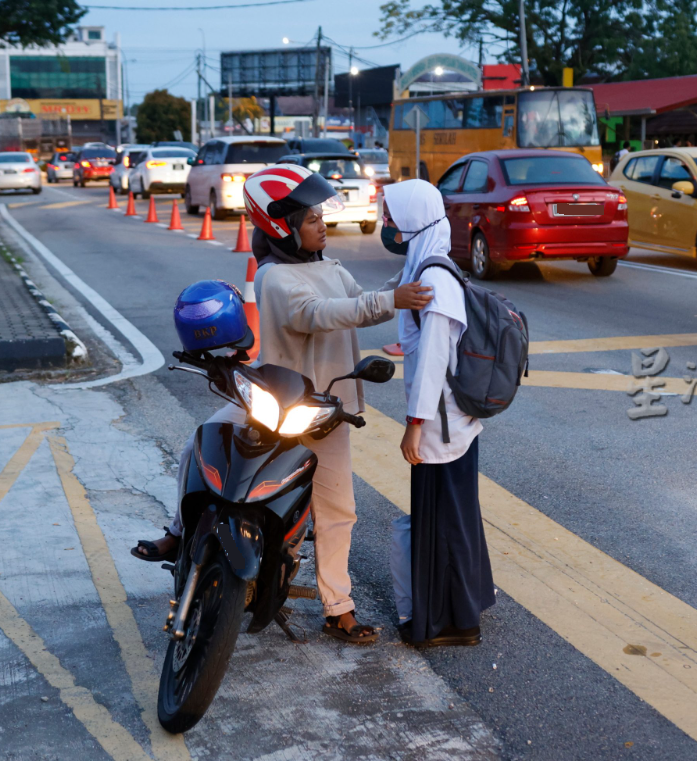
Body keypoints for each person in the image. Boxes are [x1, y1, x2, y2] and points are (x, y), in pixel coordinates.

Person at [133, 164, 433, 644]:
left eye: (319, 215)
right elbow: (318, 315)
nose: (321, 224)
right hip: (273, 400)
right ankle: (178, 530)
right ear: (282, 227)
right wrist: (393, 299)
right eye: (311, 218)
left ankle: (339, 607)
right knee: (200, 444)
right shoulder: (273, 276)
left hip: (325, 408)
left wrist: (415, 270)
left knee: (339, 510)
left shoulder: (331, 267)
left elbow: (360, 300)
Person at [382, 179, 496, 648]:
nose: (387, 225)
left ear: (413, 221)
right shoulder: (429, 268)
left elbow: (431, 361)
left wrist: (413, 426)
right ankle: (464, 608)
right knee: (454, 515)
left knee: (441, 521)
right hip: (452, 423)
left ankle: (454, 622)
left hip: (440, 426)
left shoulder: (433, 281)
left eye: (392, 217)